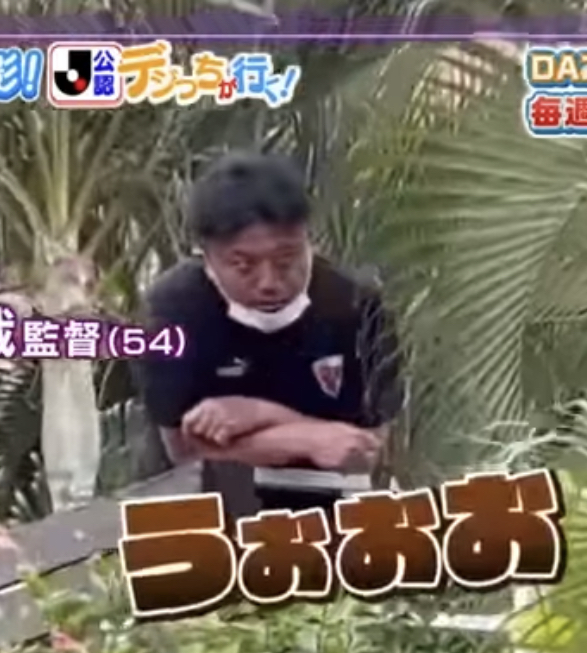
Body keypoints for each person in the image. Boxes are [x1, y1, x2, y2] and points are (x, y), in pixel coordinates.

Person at [134, 153, 403, 519]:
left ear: (308, 238)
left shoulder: (357, 308)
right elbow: (184, 452)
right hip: (200, 511)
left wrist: (254, 414)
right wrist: (306, 438)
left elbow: (364, 453)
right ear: (206, 257)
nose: (269, 283)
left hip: (326, 511)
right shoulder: (171, 313)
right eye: (243, 266)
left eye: (286, 260)